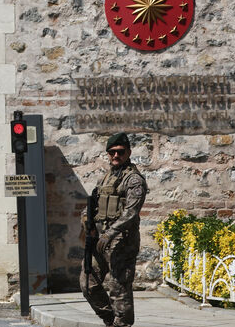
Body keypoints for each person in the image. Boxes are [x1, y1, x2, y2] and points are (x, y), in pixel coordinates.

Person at [80, 132, 148, 327]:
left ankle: (122, 323)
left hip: (121, 242)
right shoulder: (106, 178)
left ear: (128, 152)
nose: (115, 156)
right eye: (111, 152)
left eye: (120, 152)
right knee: (87, 284)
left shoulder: (134, 180)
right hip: (99, 240)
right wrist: (86, 222)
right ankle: (111, 321)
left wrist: (110, 233)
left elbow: (131, 213)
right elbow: (92, 205)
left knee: (119, 289)